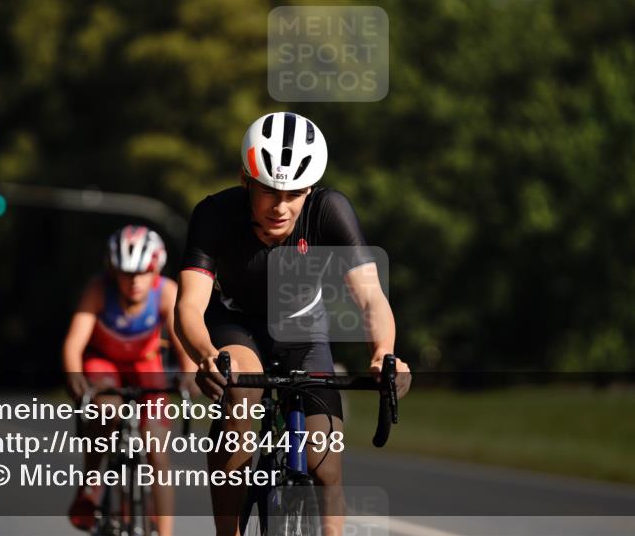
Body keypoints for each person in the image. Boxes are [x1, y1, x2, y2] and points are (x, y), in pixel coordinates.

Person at [174, 112, 412, 536]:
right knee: (240, 394)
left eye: (294, 192)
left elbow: (371, 295)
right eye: (268, 190)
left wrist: (383, 353)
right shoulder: (214, 214)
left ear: (311, 188)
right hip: (236, 326)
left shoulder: (329, 210)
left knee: (325, 464)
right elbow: (189, 307)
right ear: (246, 180)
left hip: (304, 329)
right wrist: (208, 356)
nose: (281, 206)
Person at [63, 225, 197, 535]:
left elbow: (183, 341)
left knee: (158, 454)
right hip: (104, 362)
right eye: (125, 272)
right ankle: (91, 485)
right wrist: (74, 378)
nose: (134, 280)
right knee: (106, 410)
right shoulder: (98, 289)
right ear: (113, 270)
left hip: (144, 362)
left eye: (143, 272)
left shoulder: (166, 291)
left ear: (157, 269)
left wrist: (188, 377)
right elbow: (74, 343)